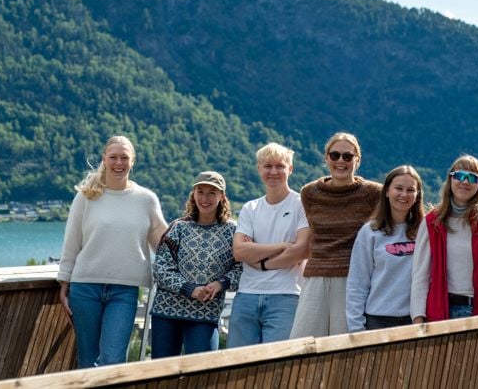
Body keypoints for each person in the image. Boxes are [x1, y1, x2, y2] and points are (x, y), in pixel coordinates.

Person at [56, 135, 167, 369]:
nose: (119, 163)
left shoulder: (146, 200)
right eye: (113, 157)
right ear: (104, 160)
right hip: (85, 287)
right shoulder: (86, 196)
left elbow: (165, 244)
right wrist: (64, 280)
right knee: (87, 361)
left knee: (114, 361)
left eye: (124, 158)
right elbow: (72, 240)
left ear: (132, 161)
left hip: (124, 290)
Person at [289, 132, 382, 338]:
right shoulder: (309, 193)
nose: (341, 161)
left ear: (357, 160)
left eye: (348, 156)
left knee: (343, 347)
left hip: (352, 278)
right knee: (303, 343)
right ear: (326, 158)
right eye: (335, 155)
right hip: (315, 276)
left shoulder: (373, 193)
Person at [150, 171, 242, 358]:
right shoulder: (178, 227)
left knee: (202, 375)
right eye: (200, 192)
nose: (205, 198)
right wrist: (189, 288)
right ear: (193, 194)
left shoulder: (233, 231)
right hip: (167, 312)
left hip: (206, 314)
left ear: (222, 197)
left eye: (211, 193)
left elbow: (242, 267)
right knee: (162, 374)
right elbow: (160, 268)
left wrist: (221, 283)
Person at [228, 143, 310, 347]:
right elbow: (239, 251)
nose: (274, 171)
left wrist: (260, 260)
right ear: (259, 170)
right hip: (246, 295)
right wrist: (282, 246)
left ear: (290, 169)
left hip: (286, 296)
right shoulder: (250, 208)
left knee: (277, 367)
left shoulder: (302, 204)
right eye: (267, 166)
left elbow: (302, 250)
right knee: (237, 364)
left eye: (280, 166)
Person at [411, 155, 478, 323]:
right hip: (439, 312)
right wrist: (418, 317)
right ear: (450, 179)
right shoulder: (431, 223)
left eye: (472, 178)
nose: (465, 181)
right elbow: (421, 275)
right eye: (459, 175)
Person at [346, 165, 426, 332]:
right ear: (387, 192)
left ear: (417, 196)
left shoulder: (425, 232)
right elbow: (357, 283)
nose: (404, 195)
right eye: (398, 188)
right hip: (377, 321)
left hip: (413, 320)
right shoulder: (370, 232)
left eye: (410, 190)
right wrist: (356, 328)